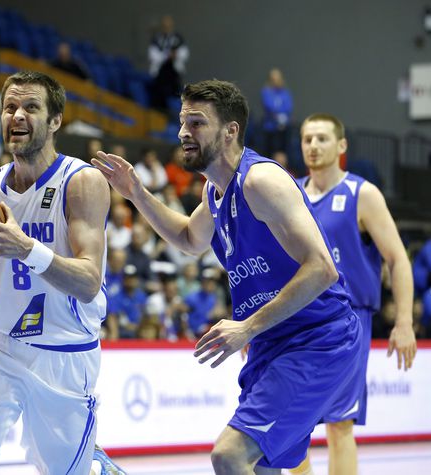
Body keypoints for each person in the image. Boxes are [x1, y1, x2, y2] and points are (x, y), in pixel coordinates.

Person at [92, 79, 364, 474]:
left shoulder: (260, 181)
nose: (183, 133)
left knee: (229, 455)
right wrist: (136, 192)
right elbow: (189, 238)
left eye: (197, 123)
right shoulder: (214, 192)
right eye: (182, 122)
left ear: (230, 131)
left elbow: (322, 268)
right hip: (272, 343)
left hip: (318, 340)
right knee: (260, 468)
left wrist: (247, 327)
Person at [0, 70, 120, 475]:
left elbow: (89, 283)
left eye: (30, 107)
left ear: (55, 121)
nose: (17, 115)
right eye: (9, 107)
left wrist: (25, 248)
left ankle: (96, 466)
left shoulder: (81, 182)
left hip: (64, 353)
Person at [292, 113, 417, 475]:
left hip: (346, 320)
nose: (313, 146)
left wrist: (404, 321)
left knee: (339, 423)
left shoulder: (363, 194)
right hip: (295, 317)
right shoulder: (290, 194)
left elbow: (398, 259)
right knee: (291, 424)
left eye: (322, 138)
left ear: (341, 145)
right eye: (307, 139)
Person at [260, 68, 293, 157]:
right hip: (270, 129)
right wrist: (278, 117)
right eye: (274, 79)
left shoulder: (285, 92)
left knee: (284, 153)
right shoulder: (266, 92)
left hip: (284, 128)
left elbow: (288, 107)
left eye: (278, 79)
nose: (276, 81)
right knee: (269, 154)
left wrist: (282, 118)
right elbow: (269, 106)